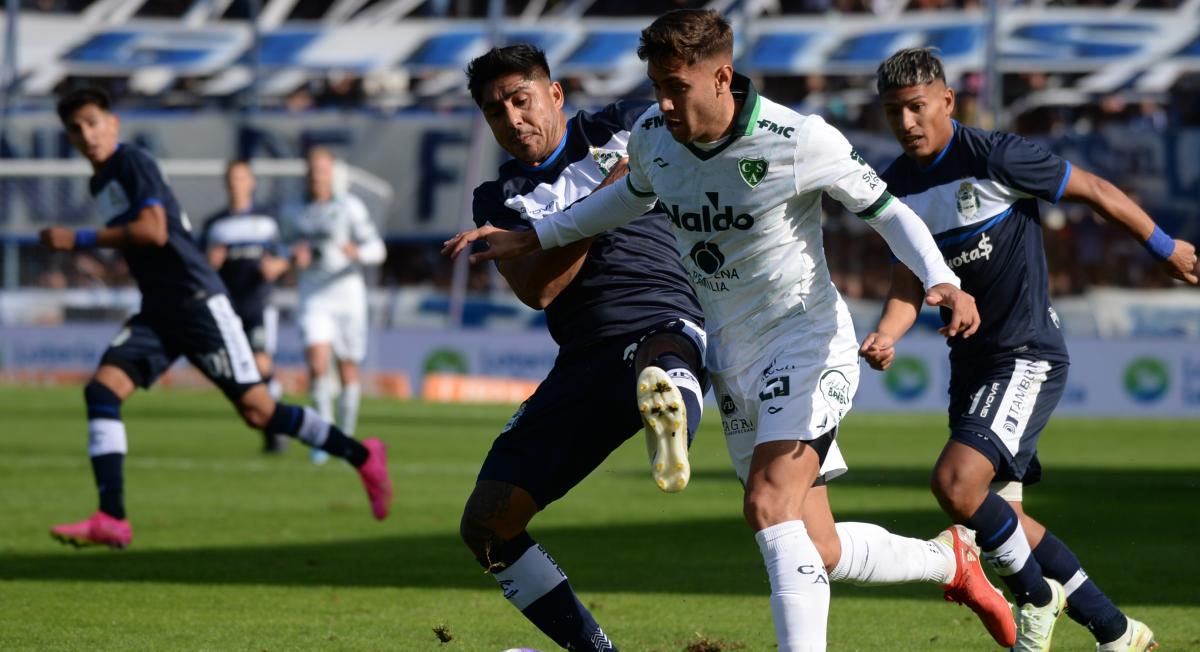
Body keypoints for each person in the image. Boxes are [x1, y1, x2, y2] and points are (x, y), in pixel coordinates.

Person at [445, 12, 1015, 650]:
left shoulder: (792, 137)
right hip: (725, 352)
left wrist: (941, 277)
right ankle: (950, 562)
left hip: (797, 338)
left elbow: (886, 209)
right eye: (656, 87)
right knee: (814, 544)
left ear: (720, 77)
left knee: (766, 504)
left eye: (676, 87)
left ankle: (676, 398)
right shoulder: (652, 138)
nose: (662, 102)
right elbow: (619, 202)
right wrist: (534, 233)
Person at [863, 48, 1197, 652]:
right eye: (893, 113)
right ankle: (1117, 632)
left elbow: (1094, 189)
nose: (906, 123)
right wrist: (887, 334)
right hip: (971, 366)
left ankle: (1036, 599)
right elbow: (907, 285)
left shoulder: (995, 155)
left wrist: (1165, 246)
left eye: (916, 108)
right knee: (1002, 519)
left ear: (946, 101)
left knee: (956, 485)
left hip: (1025, 352)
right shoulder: (895, 189)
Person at [41, 89, 393, 549]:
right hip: (161, 310)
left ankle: (363, 455)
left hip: (197, 303)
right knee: (102, 391)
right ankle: (112, 517)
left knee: (259, 411)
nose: (86, 134)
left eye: (92, 122)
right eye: (76, 128)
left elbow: (154, 229)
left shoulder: (132, 163)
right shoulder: (100, 182)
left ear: (113, 123)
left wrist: (80, 238)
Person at [453, 45, 710, 651]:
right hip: (583, 360)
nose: (512, 119)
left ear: (556, 95)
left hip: (665, 312)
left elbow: (701, 117)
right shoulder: (498, 201)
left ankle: (674, 420)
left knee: (663, 363)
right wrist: (605, 202)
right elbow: (541, 288)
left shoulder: (623, 125)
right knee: (487, 524)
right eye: (495, 112)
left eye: (521, 100)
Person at [283, 147, 386, 464]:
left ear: (331, 174)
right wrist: (292, 255)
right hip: (313, 294)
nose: (318, 176)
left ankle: (345, 435)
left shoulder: (349, 208)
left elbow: (377, 249)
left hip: (347, 295)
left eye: (323, 170)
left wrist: (358, 253)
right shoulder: (293, 210)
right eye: (313, 170)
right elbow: (282, 243)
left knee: (347, 367)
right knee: (316, 363)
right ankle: (324, 439)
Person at [199, 160, 290, 453]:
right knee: (242, 373)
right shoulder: (215, 224)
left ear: (251, 182)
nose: (237, 184)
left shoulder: (267, 220)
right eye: (232, 179)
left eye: (242, 178)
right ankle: (266, 420)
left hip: (258, 304)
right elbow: (200, 266)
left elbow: (285, 255)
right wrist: (210, 263)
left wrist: (276, 266)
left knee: (262, 364)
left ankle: (276, 430)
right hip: (226, 307)